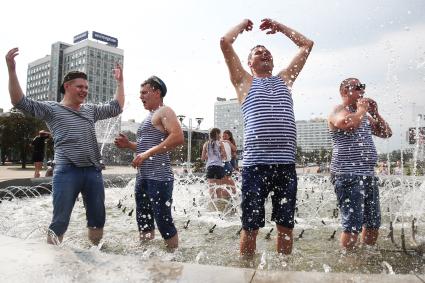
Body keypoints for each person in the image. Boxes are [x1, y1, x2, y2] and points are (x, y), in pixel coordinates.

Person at [6, 47, 125, 245]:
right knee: (60, 221)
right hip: (66, 172)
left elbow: (116, 107)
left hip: (93, 172)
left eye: (86, 88)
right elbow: (20, 101)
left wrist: (120, 82)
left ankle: (96, 255)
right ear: (67, 86)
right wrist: (11, 70)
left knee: (97, 220)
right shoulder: (52, 109)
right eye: (80, 87)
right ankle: (53, 262)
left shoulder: (90, 111)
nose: (84, 91)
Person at [220, 18, 314, 256]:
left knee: (285, 226)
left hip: (285, 166)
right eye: (258, 52)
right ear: (250, 62)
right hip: (255, 167)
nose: (264, 53)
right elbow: (224, 42)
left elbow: (307, 45)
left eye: (267, 51)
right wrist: (241, 25)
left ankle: (283, 272)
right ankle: (246, 269)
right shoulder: (244, 81)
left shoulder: (284, 79)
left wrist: (281, 28)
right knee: (250, 226)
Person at [114, 76, 183, 249]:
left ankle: (174, 257)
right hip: (143, 177)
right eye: (140, 93)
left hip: (159, 178)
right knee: (143, 219)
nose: (141, 96)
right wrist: (129, 145)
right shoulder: (149, 117)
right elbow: (147, 146)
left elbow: (177, 137)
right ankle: (145, 253)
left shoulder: (164, 111)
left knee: (163, 221)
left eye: (144, 92)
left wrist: (146, 154)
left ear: (157, 92)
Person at [328, 78, 392, 251]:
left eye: (362, 87)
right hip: (347, 174)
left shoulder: (362, 116)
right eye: (357, 88)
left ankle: (366, 256)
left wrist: (376, 114)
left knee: (372, 222)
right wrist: (363, 110)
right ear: (343, 92)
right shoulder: (339, 110)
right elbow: (347, 124)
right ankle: (349, 260)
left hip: (368, 174)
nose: (361, 91)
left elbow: (386, 133)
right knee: (352, 224)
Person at [201, 128, 228, 198]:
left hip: (210, 167)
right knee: (219, 188)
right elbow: (225, 157)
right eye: (220, 134)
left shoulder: (206, 144)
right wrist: (220, 156)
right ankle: (219, 204)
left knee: (211, 188)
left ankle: (211, 204)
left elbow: (202, 158)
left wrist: (209, 157)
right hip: (219, 167)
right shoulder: (220, 143)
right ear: (217, 134)